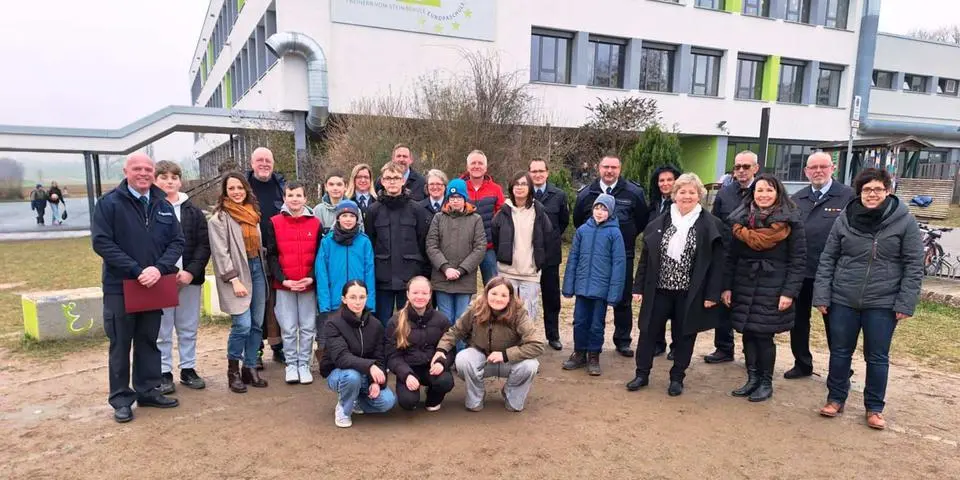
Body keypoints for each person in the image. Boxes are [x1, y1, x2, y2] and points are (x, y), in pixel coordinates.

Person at [813, 168, 923, 430]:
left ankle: (874, 407)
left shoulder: (904, 221)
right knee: (840, 353)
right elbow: (829, 258)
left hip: (883, 302)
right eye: (866, 190)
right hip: (843, 298)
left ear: (888, 191)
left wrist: (905, 302)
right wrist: (822, 294)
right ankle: (835, 398)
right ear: (859, 192)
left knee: (877, 357)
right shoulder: (844, 219)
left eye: (878, 189)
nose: (872, 194)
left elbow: (914, 264)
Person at [91, 153, 184, 423]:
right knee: (121, 343)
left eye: (147, 169)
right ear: (126, 171)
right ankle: (121, 399)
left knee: (148, 340)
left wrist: (158, 269)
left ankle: (147, 390)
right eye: (137, 169)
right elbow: (102, 243)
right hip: (120, 286)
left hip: (154, 284)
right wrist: (136, 270)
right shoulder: (109, 203)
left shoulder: (162, 204)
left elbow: (177, 241)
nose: (143, 173)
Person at [627, 174, 726, 396]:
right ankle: (642, 374)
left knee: (684, 335)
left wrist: (713, 294)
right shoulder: (659, 223)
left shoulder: (711, 225)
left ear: (699, 196)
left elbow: (717, 265)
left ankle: (677, 377)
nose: (687, 196)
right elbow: (646, 258)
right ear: (674, 195)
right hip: (659, 290)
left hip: (690, 293)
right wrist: (638, 286)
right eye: (682, 192)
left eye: (692, 192)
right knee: (648, 332)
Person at [722, 173, 806, 403]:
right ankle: (752, 378)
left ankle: (766, 382)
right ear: (753, 193)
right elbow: (730, 257)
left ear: (778, 193)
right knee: (748, 332)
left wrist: (789, 292)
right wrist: (727, 287)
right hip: (744, 282)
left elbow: (798, 260)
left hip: (774, 285)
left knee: (764, 335)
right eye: (759, 190)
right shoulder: (740, 220)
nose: (764, 195)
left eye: (769, 190)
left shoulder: (790, 221)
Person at [785, 152, 854, 379]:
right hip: (801, 272)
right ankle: (802, 363)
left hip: (832, 274)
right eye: (813, 167)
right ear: (805, 171)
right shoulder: (797, 198)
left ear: (832, 168)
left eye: (823, 166)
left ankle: (840, 368)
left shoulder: (847, 197)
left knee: (835, 325)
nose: (818, 171)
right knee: (799, 321)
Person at [573, 154, 649, 357]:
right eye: (606, 166)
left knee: (622, 298)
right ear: (599, 168)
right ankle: (583, 347)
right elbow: (578, 220)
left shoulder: (634, 192)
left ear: (620, 169)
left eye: (614, 167)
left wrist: (627, 236)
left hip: (623, 253)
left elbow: (642, 220)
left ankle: (622, 340)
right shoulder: (587, 193)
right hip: (593, 256)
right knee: (589, 302)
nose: (609, 171)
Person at [433, 277, 545, 412]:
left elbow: (537, 344)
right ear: (487, 294)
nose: (498, 299)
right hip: (482, 356)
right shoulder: (475, 309)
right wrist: (441, 349)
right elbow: (456, 331)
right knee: (463, 359)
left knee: (530, 365)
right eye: (494, 293)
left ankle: (511, 393)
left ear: (510, 297)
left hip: (509, 361)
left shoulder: (519, 313)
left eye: (504, 295)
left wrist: (505, 355)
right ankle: (477, 395)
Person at [208, 172, 270, 394]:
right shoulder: (219, 219)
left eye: (240, 188)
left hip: (257, 270)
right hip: (236, 275)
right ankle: (233, 370)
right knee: (242, 324)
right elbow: (220, 253)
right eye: (231, 188)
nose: (236, 192)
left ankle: (250, 367)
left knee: (256, 324)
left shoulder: (253, 214)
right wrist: (234, 280)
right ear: (225, 191)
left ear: (246, 190)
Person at [154, 160, 211, 394]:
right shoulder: (149, 209)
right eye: (164, 177)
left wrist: (190, 272)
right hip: (161, 280)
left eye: (174, 178)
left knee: (188, 326)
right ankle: (164, 371)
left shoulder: (193, 211)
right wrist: (162, 271)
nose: (170, 182)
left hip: (189, 279)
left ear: (180, 181)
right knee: (162, 329)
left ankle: (188, 368)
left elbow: (203, 245)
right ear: (156, 181)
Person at [561, 194, 625, 376]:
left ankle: (594, 355)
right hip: (582, 287)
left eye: (604, 209)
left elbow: (619, 264)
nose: (600, 212)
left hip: (601, 290)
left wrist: (614, 293)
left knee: (597, 324)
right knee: (579, 321)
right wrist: (568, 285)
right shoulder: (582, 231)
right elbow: (573, 258)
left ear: (610, 212)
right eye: (597, 208)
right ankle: (579, 353)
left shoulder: (615, 233)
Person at [705, 151, 759, 364]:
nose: (741, 171)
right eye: (737, 167)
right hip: (727, 256)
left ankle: (751, 353)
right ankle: (724, 348)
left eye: (746, 167)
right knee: (723, 303)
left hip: (753, 258)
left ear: (756, 168)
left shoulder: (764, 191)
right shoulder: (725, 193)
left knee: (749, 306)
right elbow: (716, 223)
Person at [265, 181, 321, 385]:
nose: (294, 199)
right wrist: (283, 280)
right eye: (290, 195)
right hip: (285, 285)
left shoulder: (315, 223)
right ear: (284, 198)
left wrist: (311, 277)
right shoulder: (274, 222)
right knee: (288, 328)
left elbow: (319, 255)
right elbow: (271, 255)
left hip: (307, 284)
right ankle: (291, 364)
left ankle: (304, 364)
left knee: (307, 327)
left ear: (305, 199)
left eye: (298, 195)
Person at [320, 280, 397, 428]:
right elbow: (342, 358)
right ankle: (343, 408)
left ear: (367, 297)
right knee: (351, 376)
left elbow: (380, 357)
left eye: (362, 297)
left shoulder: (376, 325)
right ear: (344, 299)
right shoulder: (333, 323)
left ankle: (355, 400)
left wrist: (376, 382)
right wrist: (370, 367)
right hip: (339, 374)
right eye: (353, 297)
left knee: (387, 402)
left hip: (364, 375)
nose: (357, 302)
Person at [365, 161, 430, 324]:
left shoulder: (417, 210)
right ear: (382, 182)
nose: (392, 181)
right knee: (382, 322)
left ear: (403, 181)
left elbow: (423, 242)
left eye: (396, 177)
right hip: (383, 277)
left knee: (409, 322)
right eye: (388, 178)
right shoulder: (373, 211)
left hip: (410, 276)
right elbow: (370, 243)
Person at [315, 200, 375, 362]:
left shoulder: (364, 242)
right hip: (336, 298)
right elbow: (321, 273)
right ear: (338, 218)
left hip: (357, 299)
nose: (348, 219)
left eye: (351, 216)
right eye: (344, 216)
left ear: (357, 219)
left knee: (355, 333)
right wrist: (325, 302)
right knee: (335, 333)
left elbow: (369, 272)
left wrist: (369, 301)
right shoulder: (327, 242)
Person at [492, 171, 553, 329]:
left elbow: (548, 238)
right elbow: (496, 237)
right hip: (507, 273)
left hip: (530, 274)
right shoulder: (502, 213)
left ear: (530, 188)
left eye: (524, 184)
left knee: (527, 316)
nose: (520, 187)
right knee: (505, 315)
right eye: (516, 184)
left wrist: (539, 261)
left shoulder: (538, 212)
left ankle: (526, 351)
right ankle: (506, 350)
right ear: (511, 187)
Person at [384, 277, 455, 411]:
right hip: (408, 369)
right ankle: (408, 392)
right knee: (408, 402)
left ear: (430, 295)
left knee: (445, 381)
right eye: (415, 293)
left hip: (432, 368)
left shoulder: (441, 319)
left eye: (424, 293)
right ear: (407, 294)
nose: (420, 297)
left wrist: (441, 363)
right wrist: (406, 374)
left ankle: (433, 398)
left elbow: (450, 349)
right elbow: (392, 356)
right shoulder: (395, 322)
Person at [425, 178, 486, 329]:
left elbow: (480, 248)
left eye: (458, 197)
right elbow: (431, 245)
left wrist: (461, 270)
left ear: (465, 198)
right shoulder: (439, 218)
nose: (455, 201)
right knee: (445, 319)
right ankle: (446, 352)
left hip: (464, 279)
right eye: (452, 197)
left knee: (461, 320)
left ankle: (461, 351)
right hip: (442, 277)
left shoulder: (475, 219)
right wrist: (445, 268)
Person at [246, 147, 286, 368]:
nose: (263, 164)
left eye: (267, 160)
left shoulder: (281, 186)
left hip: (277, 254)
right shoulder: (244, 186)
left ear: (273, 163)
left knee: (276, 303)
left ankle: (278, 347)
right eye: (259, 160)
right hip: (251, 254)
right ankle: (256, 349)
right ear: (252, 163)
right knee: (256, 303)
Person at [529, 159, 569, 351]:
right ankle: (525, 336)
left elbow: (563, 222)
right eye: (534, 171)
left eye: (541, 171)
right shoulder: (523, 193)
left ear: (547, 173)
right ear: (529, 173)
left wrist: (550, 238)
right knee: (526, 298)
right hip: (527, 255)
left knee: (551, 297)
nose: (537, 174)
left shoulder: (559, 195)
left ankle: (552, 335)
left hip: (550, 256)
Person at [647, 164, 682, 358]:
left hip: (677, 263)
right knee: (656, 306)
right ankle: (658, 342)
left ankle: (677, 346)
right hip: (655, 261)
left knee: (676, 309)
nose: (666, 183)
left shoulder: (681, 204)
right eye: (662, 180)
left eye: (670, 179)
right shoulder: (654, 203)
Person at [460, 150, 505, 285]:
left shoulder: (496, 189)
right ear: (467, 167)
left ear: (485, 168)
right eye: (473, 163)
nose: (476, 166)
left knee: (493, 284)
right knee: (462, 286)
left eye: (480, 163)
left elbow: (501, 217)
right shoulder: (459, 186)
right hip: (464, 247)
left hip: (488, 247)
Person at [315, 171, 355, 235]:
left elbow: (360, 236)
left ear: (346, 187)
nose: (335, 188)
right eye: (331, 184)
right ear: (326, 187)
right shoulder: (318, 210)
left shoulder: (354, 208)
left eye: (339, 184)